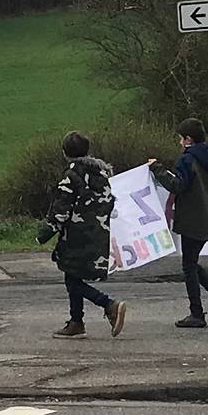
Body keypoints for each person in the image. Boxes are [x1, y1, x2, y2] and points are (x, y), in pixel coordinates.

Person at [146, 118, 208, 330]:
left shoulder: (188, 160)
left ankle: (197, 312)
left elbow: (178, 185)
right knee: (191, 262)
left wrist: (157, 169)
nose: (179, 143)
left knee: (189, 265)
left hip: (191, 217)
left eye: (180, 139)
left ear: (188, 139)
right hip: (207, 216)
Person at [40, 130, 125, 338]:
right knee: (73, 275)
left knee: (73, 280)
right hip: (98, 233)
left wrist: (43, 234)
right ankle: (76, 322)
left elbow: (60, 212)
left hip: (76, 236)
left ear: (65, 153)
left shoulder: (72, 177)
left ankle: (109, 305)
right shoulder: (101, 175)